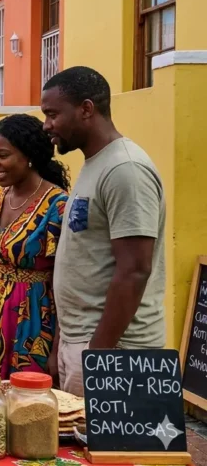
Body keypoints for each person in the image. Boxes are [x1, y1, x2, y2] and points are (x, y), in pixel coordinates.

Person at [41, 66, 165, 397]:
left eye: (53, 114)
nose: (46, 125)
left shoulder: (126, 169)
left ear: (86, 109)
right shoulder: (95, 163)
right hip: (83, 343)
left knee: (108, 450)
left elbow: (135, 270)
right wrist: (62, 343)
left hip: (115, 351)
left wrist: (98, 356)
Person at [0, 114, 69, 379]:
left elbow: (64, 280)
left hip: (33, 323)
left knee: (26, 405)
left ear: (28, 155)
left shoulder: (58, 205)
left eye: (3, 155)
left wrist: (57, 349)